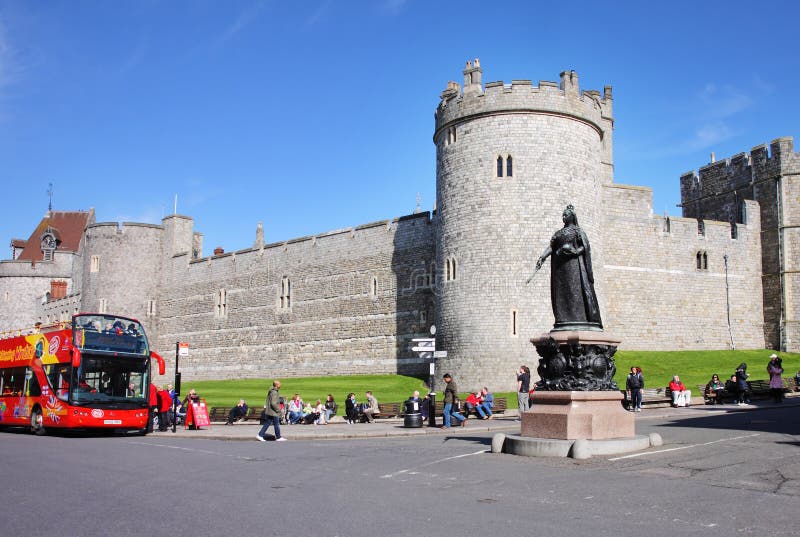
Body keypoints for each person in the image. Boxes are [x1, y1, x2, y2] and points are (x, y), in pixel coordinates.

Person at [534, 204, 603, 331]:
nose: (563, 217)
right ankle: (564, 318)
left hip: (574, 267)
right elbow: (551, 247)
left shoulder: (578, 231)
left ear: (572, 217)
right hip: (560, 269)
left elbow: (585, 247)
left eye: (566, 215)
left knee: (575, 292)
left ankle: (579, 318)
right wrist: (542, 257)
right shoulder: (558, 233)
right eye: (563, 215)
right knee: (562, 293)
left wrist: (576, 251)